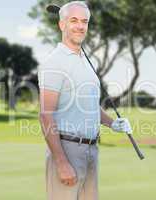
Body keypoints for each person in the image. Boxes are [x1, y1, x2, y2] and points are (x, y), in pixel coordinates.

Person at [38, 1, 132, 200]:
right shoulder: (54, 62)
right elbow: (46, 115)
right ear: (62, 25)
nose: (80, 26)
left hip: (91, 151)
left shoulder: (85, 62)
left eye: (84, 21)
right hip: (67, 149)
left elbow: (89, 105)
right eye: (74, 20)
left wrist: (113, 123)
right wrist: (61, 163)